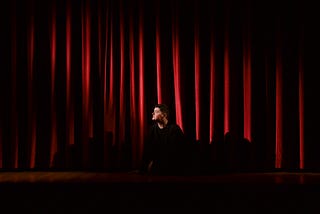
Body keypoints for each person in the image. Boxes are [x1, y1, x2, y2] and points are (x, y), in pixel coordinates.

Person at [139, 104, 188, 175]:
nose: (153, 113)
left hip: (172, 166)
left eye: (156, 112)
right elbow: (147, 150)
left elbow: (177, 151)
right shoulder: (152, 130)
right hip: (156, 166)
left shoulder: (174, 129)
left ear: (164, 115)